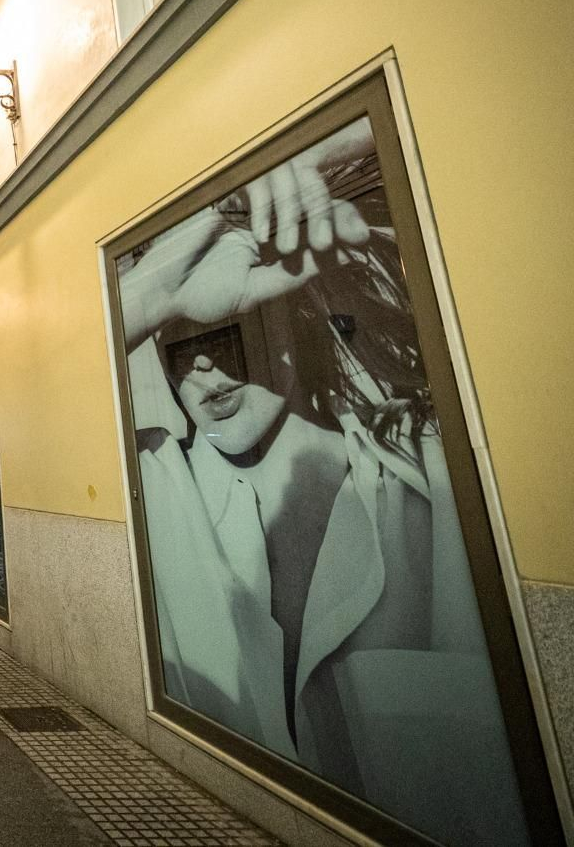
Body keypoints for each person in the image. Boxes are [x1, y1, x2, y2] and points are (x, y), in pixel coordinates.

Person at [115, 116, 529, 845]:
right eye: (177, 349)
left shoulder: (424, 488)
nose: (202, 368)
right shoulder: (163, 494)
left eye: (220, 337)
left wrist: (303, 150)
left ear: (287, 321)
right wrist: (153, 297)